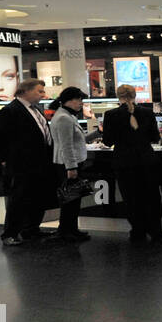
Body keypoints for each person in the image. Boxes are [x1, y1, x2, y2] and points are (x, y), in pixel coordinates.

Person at [0, 78, 55, 245]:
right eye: (39, 91)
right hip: (22, 164)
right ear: (26, 91)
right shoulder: (10, 111)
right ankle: (10, 233)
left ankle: (31, 229)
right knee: (19, 199)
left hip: (41, 163)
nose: (43, 94)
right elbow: (0, 138)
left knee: (38, 198)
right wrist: (6, 160)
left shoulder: (36, 110)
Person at [103, 84, 162, 243]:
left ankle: (138, 230)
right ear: (135, 95)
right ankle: (156, 230)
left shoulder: (110, 115)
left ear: (118, 96)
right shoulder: (147, 113)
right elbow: (155, 138)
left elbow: (108, 141)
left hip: (124, 162)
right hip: (147, 160)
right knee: (151, 196)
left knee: (131, 198)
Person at [48, 87, 91, 243]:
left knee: (73, 199)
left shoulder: (66, 116)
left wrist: (97, 132)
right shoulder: (64, 118)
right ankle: (66, 231)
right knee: (70, 201)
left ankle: (71, 229)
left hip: (69, 163)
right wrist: (71, 168)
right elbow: (67, 145)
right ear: (70, 100)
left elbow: (77, 140)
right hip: (68, 165)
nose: (81, 103)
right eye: (79, 100)